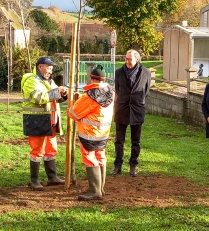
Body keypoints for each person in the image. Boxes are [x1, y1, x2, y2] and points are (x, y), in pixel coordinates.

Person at [68, 65, 115, 201]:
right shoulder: (111, 92)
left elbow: (73, 113)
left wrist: (76, 101)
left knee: (90, 158)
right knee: (100, 157)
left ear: (92, 79)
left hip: (89, 134)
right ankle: (100, 188)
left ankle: (94, 191)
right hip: (103, 133)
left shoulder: (89, 96)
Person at [21, 57, 68, 191]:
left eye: (51, 68)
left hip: (50, 121)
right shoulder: (31, 81)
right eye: (48, 68)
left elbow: (55, 98)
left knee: (51, 149)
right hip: (37, 120)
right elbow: (39, 98)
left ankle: (52, 177)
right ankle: (34, 180)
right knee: (37, 150)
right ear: (40, 67)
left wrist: (63, 94)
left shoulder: (49, 81)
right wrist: (57, 91)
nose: (50, 71)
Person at [110, 49, 151, 177]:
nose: (127, 61)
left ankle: (133, 166)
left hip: (137, 110)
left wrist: (136, 101)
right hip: (122, 110)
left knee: (136, 141)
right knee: (119, 141)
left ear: (137, 60)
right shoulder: (119, 72)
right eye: (126, 59)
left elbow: (146, 90)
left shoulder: (146, 73)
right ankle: (118, 165)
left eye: (130, 59)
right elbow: (117, 90)